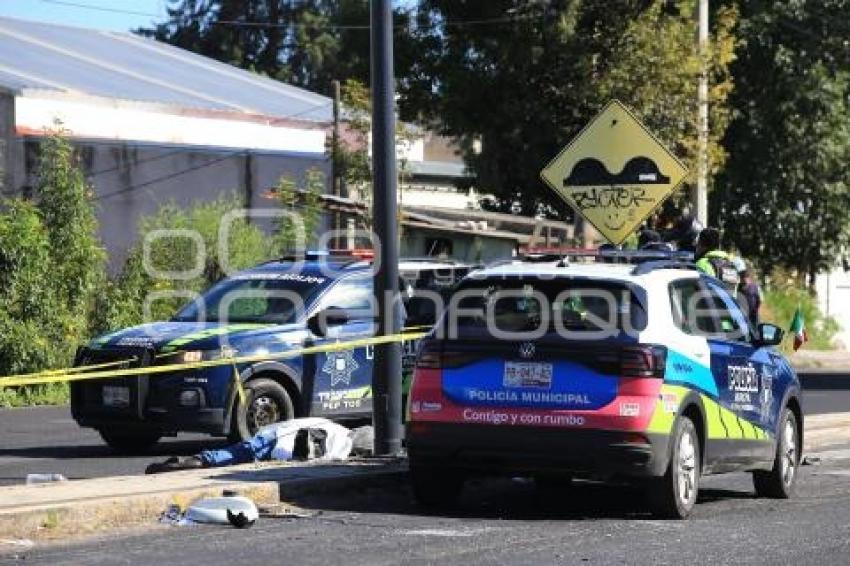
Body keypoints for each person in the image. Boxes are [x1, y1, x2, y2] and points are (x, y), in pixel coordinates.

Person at [694, 227, 740, 293]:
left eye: (698, 243)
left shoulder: (702, 264)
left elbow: (697, 291)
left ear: (702, 245)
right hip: (730, 303)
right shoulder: (731, 265)